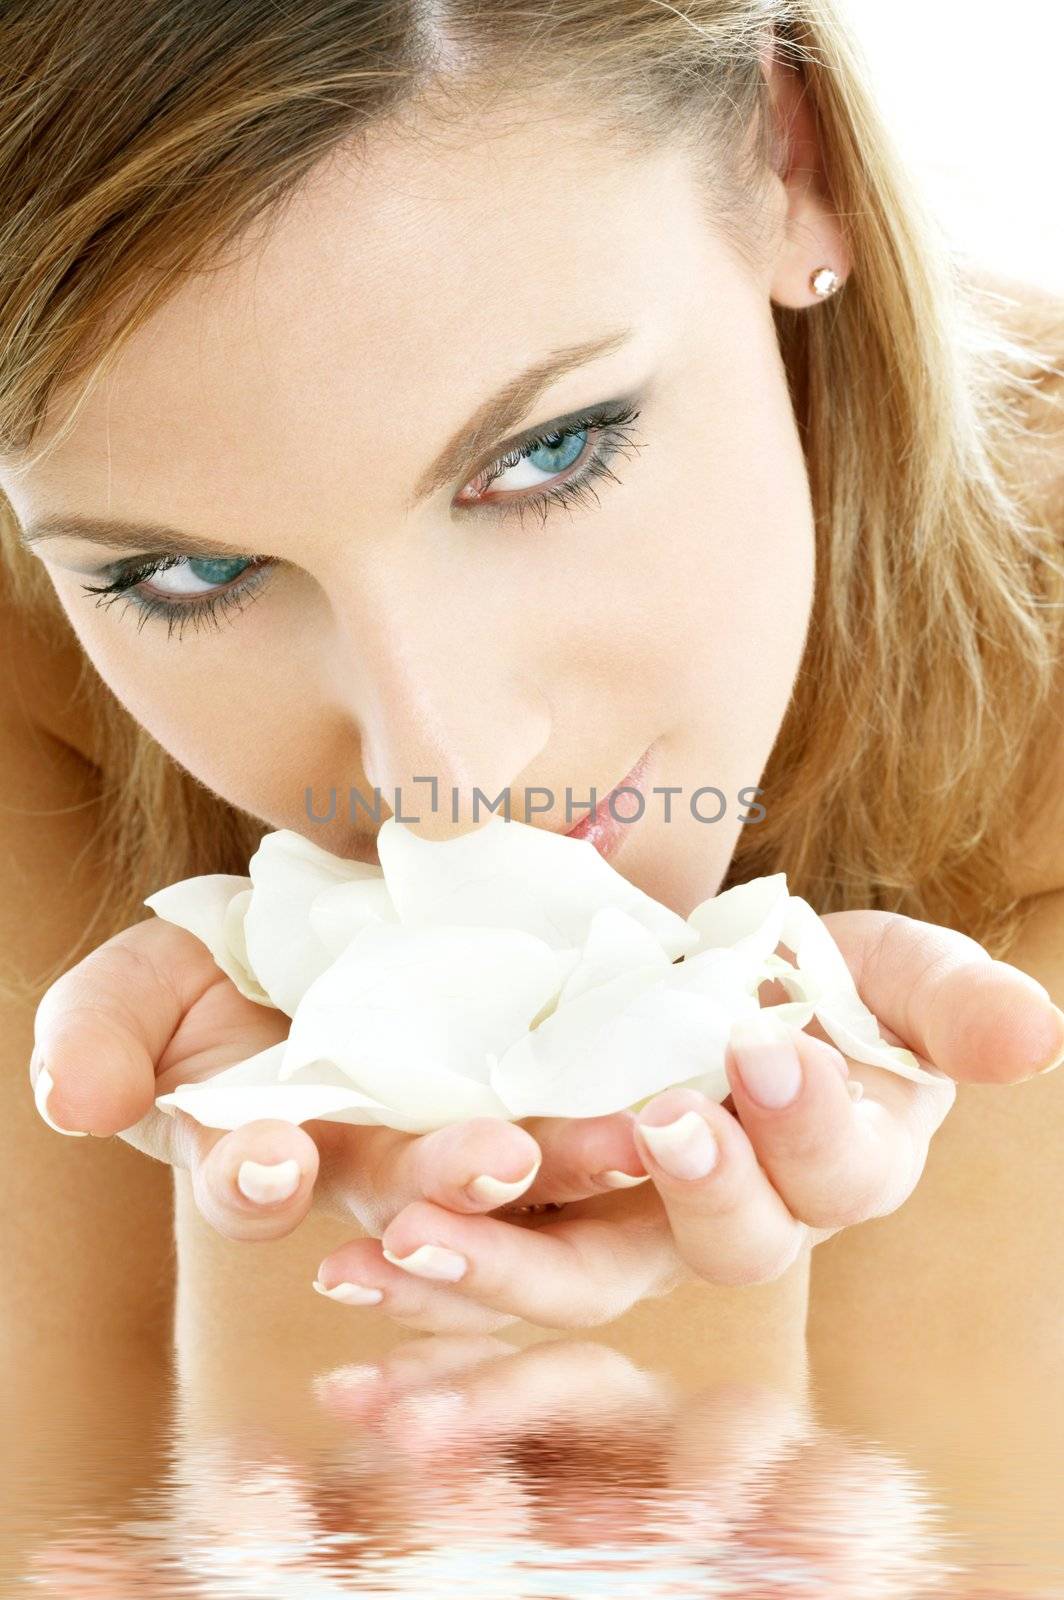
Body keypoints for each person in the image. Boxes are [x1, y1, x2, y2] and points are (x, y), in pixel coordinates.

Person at [1, 1, 1062, 1383]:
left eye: (549, 452)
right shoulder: (39, 683)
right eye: (188, 574)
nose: (443, 776)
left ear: (787, 154)